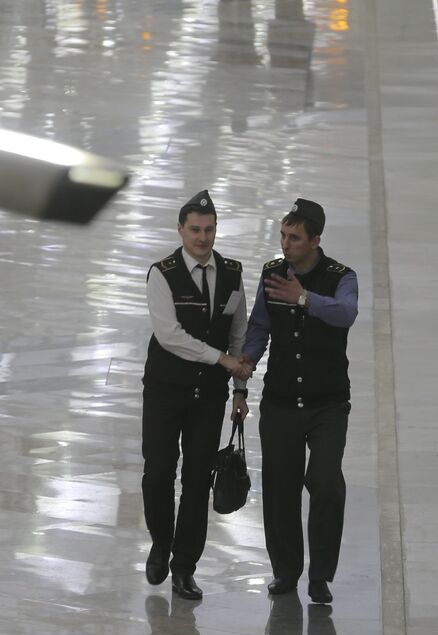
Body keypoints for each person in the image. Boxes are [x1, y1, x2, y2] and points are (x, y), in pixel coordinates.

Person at [243, 198, 358, 604]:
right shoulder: (273, 274)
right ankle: (286, 572)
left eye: (294, 238)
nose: (286, 244)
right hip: (281, 401)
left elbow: (346, 313)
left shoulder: (341, 277)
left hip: (327, 404)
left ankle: (321, 575)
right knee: (280, 488)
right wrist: (247, 362)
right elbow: (260, 325)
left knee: (325, 483)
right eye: (283, 236)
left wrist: (304, 298)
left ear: (315, 240)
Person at [142, 189, 253, 601]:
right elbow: (169, 336)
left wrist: (240, 386)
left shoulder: (232, 273)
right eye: (195, 230)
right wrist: (221, 360)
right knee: (158, 472)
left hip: (209, 396)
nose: (202, 238)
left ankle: (184, 566)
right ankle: (160, 543)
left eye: (208, 230)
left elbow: (239, 330)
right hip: (165, 392)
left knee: (196, 480)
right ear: (180, 230)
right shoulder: (162, 273)